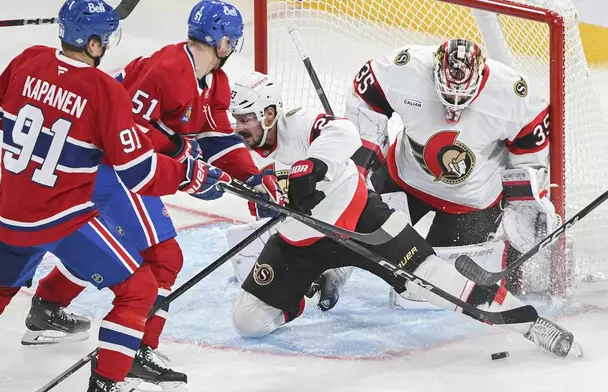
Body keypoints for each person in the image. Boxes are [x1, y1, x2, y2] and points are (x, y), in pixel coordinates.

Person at [0, 1, 229, 391]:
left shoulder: (29, 60)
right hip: (62, 219)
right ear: (92, 44)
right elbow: (138, 171)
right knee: (138, 289)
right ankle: (107, 383)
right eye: (104, 39)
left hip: (9, 214)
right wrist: (190, 173)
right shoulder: (102, 90)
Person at [20, 0, 282, 388]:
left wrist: (254, 178)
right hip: (104, 166)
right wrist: (182, 159)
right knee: (163, 257)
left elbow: (216, 138)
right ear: (222, 40)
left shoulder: (214, 80)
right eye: (232, 39)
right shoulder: (168, 69)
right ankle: (135, 350)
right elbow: (124, 129)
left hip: (127, 169)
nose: (235, 44)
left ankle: (48, 306)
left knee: (118, 248)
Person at [226, 71, 578, 359]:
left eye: (245, 119)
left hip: (364, 223)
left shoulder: (297, 123)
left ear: (268, 114)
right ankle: (305, 286)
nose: (239, 128)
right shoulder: (238, 154)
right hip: (300, 243)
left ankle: (530, 324)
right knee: (248, 321)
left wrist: (313, 166)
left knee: (435, 282)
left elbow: (343, 130)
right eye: (236, 119)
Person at [344, 39, 561, 303]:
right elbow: (367, 96)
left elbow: (530, 154)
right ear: (434, 72)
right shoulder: (406, 68)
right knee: (353, 234)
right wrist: (362, 158)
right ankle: (330, 269)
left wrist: (526, 201)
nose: (454, 105)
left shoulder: (512, 96)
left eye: (463, 97)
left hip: (470, 203)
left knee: (438, 290)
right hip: (403, 181)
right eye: (447, 94)